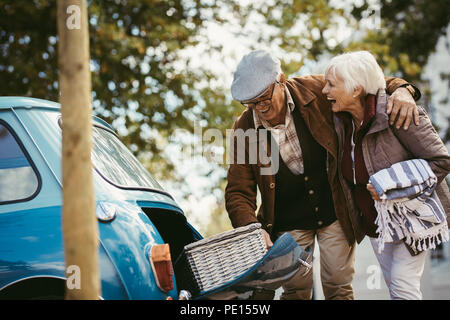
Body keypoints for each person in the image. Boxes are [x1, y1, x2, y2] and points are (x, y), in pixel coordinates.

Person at [225, 49, 421, 300]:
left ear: (281, 80)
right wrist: (252, 228)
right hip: (288, 221)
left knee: (337, 287)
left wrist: (404, 90)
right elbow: (238, 190)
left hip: (334, 209)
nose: (259, 109)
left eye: (263, 99)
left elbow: (368, 82)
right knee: (295, 291)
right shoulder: (244, 127)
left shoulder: (317, 89)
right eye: (250, 104)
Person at [322, 50, 450, 299]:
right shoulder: (342, 122)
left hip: (411, 219)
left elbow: (441, 161)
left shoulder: (398, 111)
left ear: (356, 88)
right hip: (376, 223)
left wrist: (392, 184)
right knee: (395, 286)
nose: (324, 91)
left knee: (403, 285)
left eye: (331, 85)